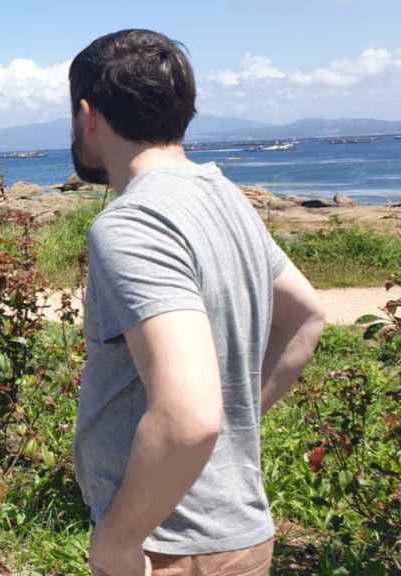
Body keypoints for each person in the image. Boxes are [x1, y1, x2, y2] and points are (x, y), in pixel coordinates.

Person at [68, 30, 326, 575]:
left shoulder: (132, 223)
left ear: (88, 116)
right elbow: (306, 318)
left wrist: (118, 537)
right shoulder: (222, 194)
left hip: (169, 547)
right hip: (238, 535)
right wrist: (238, 417)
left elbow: (188, 417)